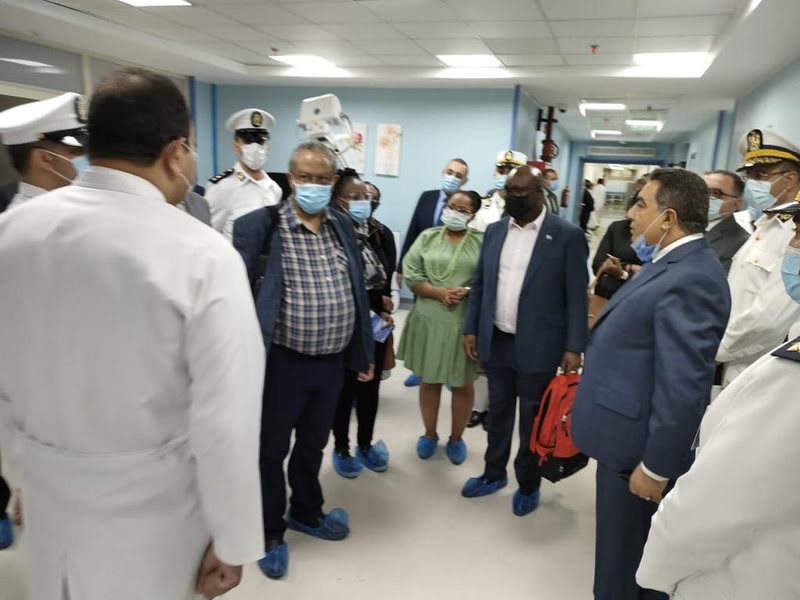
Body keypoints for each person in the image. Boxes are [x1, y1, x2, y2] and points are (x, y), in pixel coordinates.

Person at [0, 67, 266, 600]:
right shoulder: (202, 255)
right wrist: (234, 540)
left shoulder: (12, 232)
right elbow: (225, 421)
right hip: (154, 518)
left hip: (49, 499)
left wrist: (20, 475)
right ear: (175, 152)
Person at [571, 168, 731, 600]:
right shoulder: (670, 262)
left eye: (641, 204)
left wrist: (656, 467)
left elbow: (684, 388)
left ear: (668, 217)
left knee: (626, 571)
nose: (631, 215)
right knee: (617, 559)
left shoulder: (694, 278)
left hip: (639, 456)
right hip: (623, 442)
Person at [637, 202, 800, 599]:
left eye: (799, 235)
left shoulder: (792, 377)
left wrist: (654, 572)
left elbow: (711, 510)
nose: (791, 246)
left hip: (744, 579)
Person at [232, 142, 374, 581]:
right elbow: (236, 297)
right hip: (282, 362)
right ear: (291, 179)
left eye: (323, 179)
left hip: (330, 363)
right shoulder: (260, 227)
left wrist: (362, 352)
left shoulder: (342, 225)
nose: (314, 186)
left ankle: (306, 511)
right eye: (306, 177)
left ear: (333, 183)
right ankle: (269, 532)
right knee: (271, 449)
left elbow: (356, 289)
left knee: (314, 443)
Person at [461, 166, 588, 516]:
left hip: (540, 344)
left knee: (533, 418)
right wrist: (472, 328)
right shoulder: (495, 231)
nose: (513, 198)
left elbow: (576, 295)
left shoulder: (566, 235)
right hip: (497, 340)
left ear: (540, 193)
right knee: (498, 412)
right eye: (509, 192)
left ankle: (528, 483)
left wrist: (574, 346)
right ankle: (493, 473)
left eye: (521, 193)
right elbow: (481, 284)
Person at [397, 190, 483, 464]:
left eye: (462, 210)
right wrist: (437, 292)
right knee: (430, 379)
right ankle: (429, 434)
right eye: (451, 206)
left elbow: (489, 278)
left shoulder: (481, 242)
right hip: (428, 319)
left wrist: (466, 291)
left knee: (462, 383)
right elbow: (412, 272)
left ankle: (456, 438)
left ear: (472, 215)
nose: (454, 212)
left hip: (462, 323)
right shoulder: (428, 237)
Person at [716, 129, 800, 387]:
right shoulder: (766, 223)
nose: (752, 183)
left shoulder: (794, 233)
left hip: (761, 372)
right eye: (749, 175)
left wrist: (715, 349)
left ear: (789, 179)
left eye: (760, 176)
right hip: (732, 363)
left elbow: (769, 319)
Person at [330, 171, 396, 478]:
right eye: (355, 197)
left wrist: (383, 305)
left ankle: (365, 445)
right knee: (345, 390)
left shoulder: (378, 233)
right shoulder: (333, 234)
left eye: (367, 198)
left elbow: (384, 277)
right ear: (339, 200)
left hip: (375, 321)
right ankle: (341, 448)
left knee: (370, 388)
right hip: (346, 322)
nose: (363, 202)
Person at [468, 150, 527, 430]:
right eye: (502, 170)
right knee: (483, 356)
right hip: (486, 286)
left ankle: (496, 409)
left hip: (513, 292)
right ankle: (479, 407)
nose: (504, 176)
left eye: (511, 171)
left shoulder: (529, 209)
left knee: (505, 360)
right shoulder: (484, 207)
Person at [398, 157, 469, 387]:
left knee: (449, 321)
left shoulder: (466, 204)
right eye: (450, 172)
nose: (452, 177)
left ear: (465, 180)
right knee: (423, 317)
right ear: (443, 171)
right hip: (423, 268)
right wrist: (401, 267)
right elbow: (413, 230)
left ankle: (448, 372)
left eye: (458, 175)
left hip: (451, 270)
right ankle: (420, 370)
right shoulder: (427, 197)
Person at [0, 92, 88, 210]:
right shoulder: (25, 216)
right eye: (75, 152)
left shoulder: (73, 206)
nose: (87, 160)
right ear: (44, 158)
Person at [205, 108, 282, 240]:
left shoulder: (274, 189)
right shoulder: (222, 188)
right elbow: (207, 237)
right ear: (236, 147)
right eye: (248, 141)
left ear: (268, 147)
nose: (255, 146)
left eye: (260, 141)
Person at [591, 193, 643, 300]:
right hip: (606, 294)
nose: (630, 215)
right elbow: (597, 263)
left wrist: (622, 273)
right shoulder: (617, 228)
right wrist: (630, 267)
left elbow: (650, 278)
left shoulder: (657, 238)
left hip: (634, 297)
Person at [703, 169, 748, 274]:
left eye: (715, 193)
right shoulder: (680, 227)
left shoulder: (740, 243)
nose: (702, 197)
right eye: (699, 190)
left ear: (736, 204)